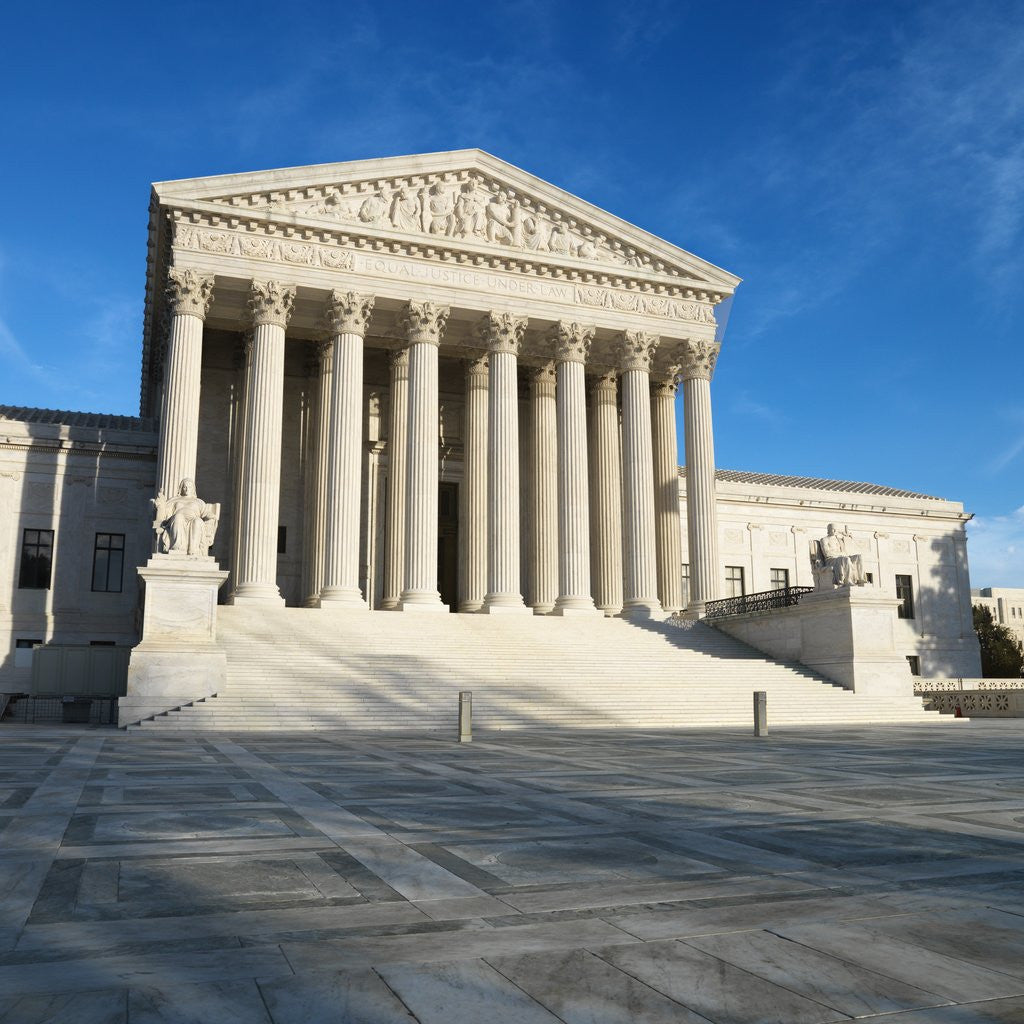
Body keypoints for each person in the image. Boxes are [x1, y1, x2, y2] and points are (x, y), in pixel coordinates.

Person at [152, 479, 219, 557]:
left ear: (193, 489)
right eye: (185, 487)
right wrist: (161, 503)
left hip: (193, 519)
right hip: (176, 519)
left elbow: (206, 513)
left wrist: (211, 516)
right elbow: (165, 512)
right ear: (181, 488)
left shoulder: (199, 502)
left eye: (189, 487)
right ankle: (177, 547)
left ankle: (193, 550)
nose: (187, 489)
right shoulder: (174, 500)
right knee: (178, 517)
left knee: (198, 521)